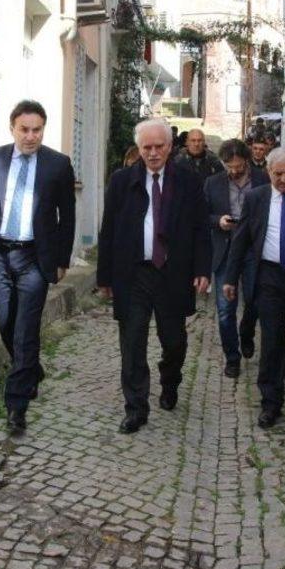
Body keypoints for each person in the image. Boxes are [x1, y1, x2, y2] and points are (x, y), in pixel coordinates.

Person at [0, 100, 76, 435]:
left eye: (37, 130)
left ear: (43, 129)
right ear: (12, 128)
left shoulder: (58, 164)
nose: (31, 136)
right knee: (7, 325)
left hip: (34, 258)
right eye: (24, 130)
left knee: (26, 329)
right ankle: (31, 369)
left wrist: (61, 260)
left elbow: (66, 218)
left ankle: (16, 406)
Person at [97, 118, 211, 434]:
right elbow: (108, 230)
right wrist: (104, 276)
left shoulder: (188, 181)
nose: (153, 153)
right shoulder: (122, 181)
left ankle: (170, 378)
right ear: (139, 149)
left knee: (174, 341)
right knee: (132, 342)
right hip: (133, 274)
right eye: (146, 147)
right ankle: (136, 408)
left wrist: (202, 268)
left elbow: (202, 228)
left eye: (159, 146)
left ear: (170, 147)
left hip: (172, 272)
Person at [224, 147, 285, 428]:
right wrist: (230, 277)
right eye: (278, 174)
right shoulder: (257, 198)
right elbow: (240, 240)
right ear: (268, 172)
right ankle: (270, 401)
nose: (284, 179)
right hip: (270, 277)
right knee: (272, 338)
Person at [204, 139, 269, 378]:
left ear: (247, 160)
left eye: (239, 166)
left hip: (253, 249)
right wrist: (218, 221)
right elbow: (203, 214)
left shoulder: (263, 179)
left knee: (253, 299)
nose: (234, 171)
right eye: (229, 166)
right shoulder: (213, 183)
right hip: (225, 248)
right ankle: (232, 357)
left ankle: (247, 332)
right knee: (224, 309)